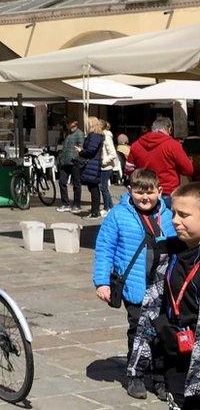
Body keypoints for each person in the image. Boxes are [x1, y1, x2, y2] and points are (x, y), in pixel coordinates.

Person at [93, 168, 175, 400]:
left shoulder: (168, 216)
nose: (145, 197)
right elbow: (104, 249)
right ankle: (135, 375)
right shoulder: (118, 215)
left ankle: (160, 379)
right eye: (139, 192)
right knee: (139, 331)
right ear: (130, 191)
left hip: (164, 288)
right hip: (135, 287)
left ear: (160, 191)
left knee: (163, 334)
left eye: (149, 192)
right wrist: (102, 282)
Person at [129, 181, 200, 408]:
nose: (175, 221)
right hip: (176, 347)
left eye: (184, 215)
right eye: (173, 213)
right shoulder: (168, 251)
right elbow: (155, 297)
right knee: (177, 400)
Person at [126, 117, 194, 205]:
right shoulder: (173, 145)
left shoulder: (136, 145)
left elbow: (128, 169)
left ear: (152, 129)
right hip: (168, 192)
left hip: (143, 192)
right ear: (169, 129)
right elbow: (188, 170)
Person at [78, 116, 106, 219]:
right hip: (93, 164)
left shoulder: (94, 136)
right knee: (93, 188)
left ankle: (95, 212)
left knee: (93, 188)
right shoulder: (97, 135)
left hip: (92, 164)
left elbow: (91, 150)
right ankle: (95, 211)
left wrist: (81, 151)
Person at [56, 119, 86, 214]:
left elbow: (81, 147)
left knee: (76, 184)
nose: (67, 125)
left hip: (74, 162)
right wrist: (61, 157)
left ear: (74, 124)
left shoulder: (79, 134)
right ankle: (66, 204)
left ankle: (77, 205)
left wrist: (75, 156)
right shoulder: (68, 134)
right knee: (62, 182)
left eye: (69, 123)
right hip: (65, 162)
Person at [100, 120, 120, 212]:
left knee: (103, 187)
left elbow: (113, 153)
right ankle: (111, 207)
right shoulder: (102, 135)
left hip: (106, 166)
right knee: (104, 187)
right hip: (104, 166)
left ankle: (106, 207)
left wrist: (103, 161)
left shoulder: (106, 137)